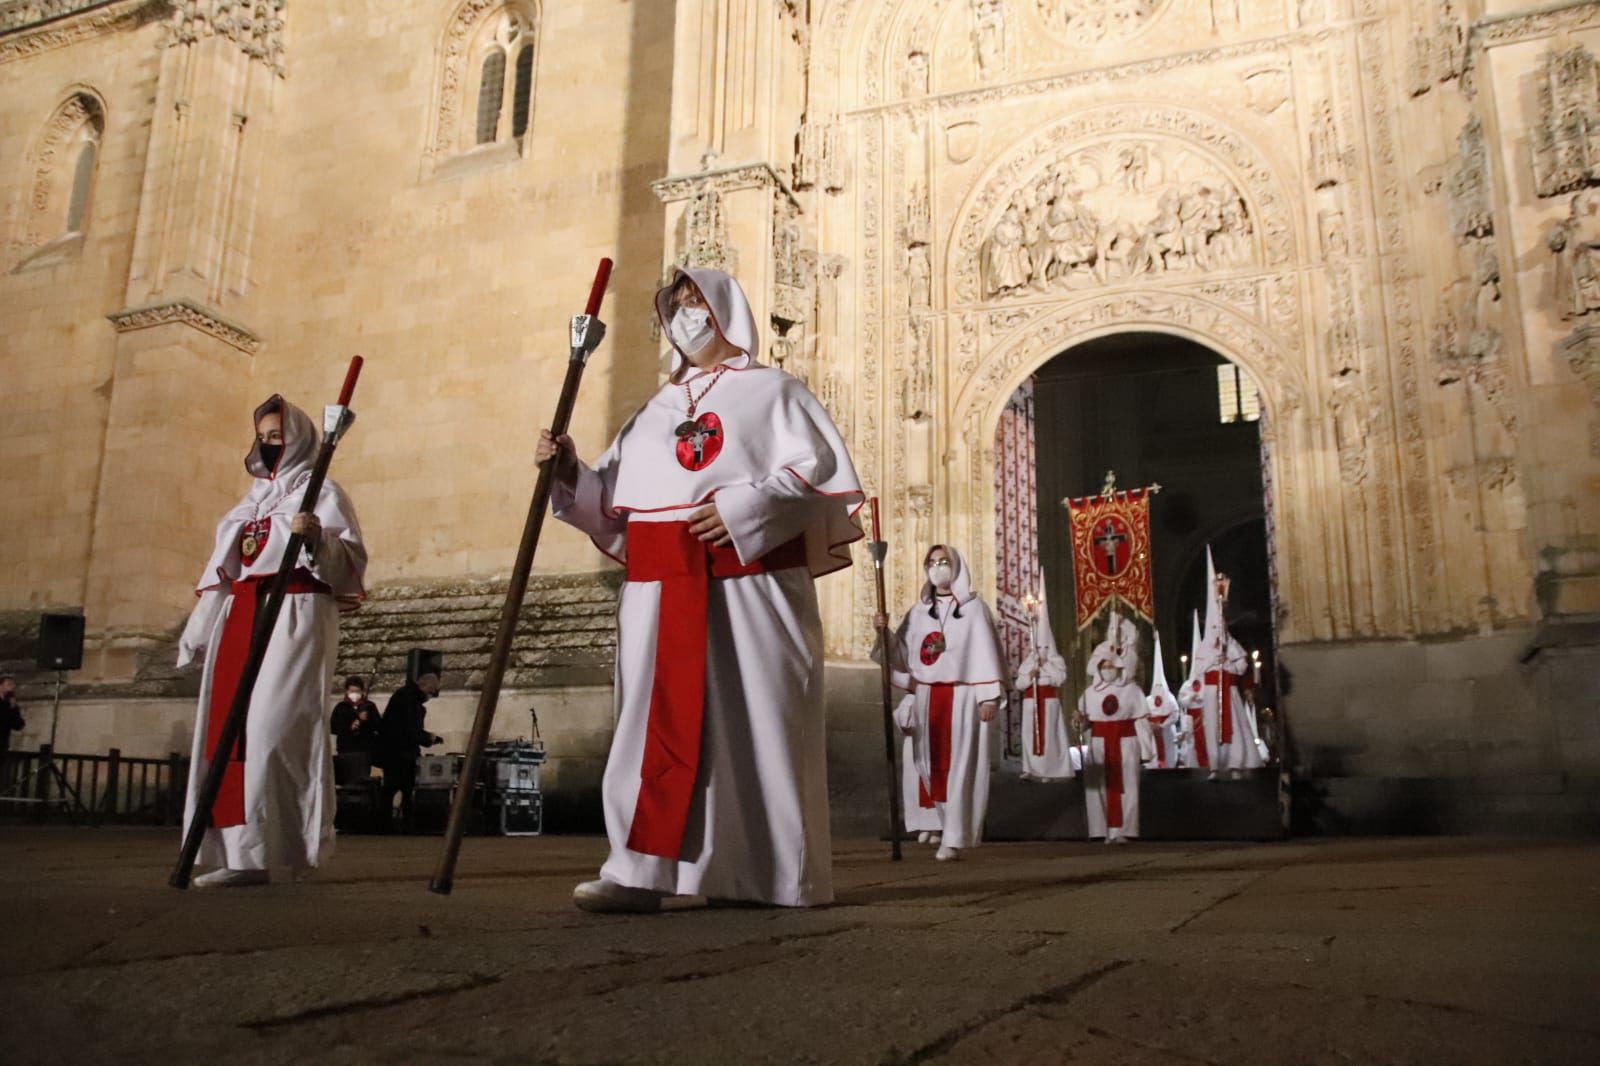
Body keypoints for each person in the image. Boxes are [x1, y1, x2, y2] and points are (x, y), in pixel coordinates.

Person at [539, 266, 864, 912]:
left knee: (757, 723)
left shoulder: (774, 393)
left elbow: (816, 471)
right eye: (676, 305)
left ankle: (760, 874)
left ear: (726, 313)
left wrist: (745, 511)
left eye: (697, 303)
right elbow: (611, 505)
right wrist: (570, 471)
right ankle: (639, 871)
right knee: (646, 725)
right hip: (660, 593)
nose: (686, 316)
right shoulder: (653, 412)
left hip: (748, 589)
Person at [177, 396, 366, 887]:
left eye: (277, 435)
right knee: (228, 736)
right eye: (262, 436)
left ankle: (284, 847)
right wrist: (197, 631)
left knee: (270, 731)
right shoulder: (250, 500)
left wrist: (316, 541)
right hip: (242, 616)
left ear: (300, 435)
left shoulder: (324, 491)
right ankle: (242, 856)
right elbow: (226, 571)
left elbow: (349, 565)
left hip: (294, 615)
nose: (268, 443)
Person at [880, 545, 1005, 862]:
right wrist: (883, 633)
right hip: (927, 695)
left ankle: (954, 835)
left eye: (944, 562)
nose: (937, 568)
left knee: (960, 766)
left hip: (962, 695)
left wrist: (987, 695)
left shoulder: (975, 609)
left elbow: (984, 651)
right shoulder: (920, 610)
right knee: (928, 764)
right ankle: (946, 827)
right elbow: (902, 655)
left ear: (957, 566)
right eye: (932, 563)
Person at [1182, 548, 1264, 779]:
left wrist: (1227, 660)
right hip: (1210, 691)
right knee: (1212, 727)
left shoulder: (1231, 643)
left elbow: (1242, 666)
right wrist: (1213, 660)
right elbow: (1198, 668)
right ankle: (1216, 765)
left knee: (1235, 727)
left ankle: (1236, 763)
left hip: (1228, 690)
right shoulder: (1206, 646)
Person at [1076, 637, 1147, 843]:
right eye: (1104, 666)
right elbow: (1083, 723)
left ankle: (1125, 830)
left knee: (1128, 786)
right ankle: (1102, 830)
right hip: (1099, 743)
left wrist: (1146, 751)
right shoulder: (1089, 694)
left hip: (1126, 743)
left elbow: (1141, 721)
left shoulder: (1133, 691)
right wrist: (1079, 720)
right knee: (1099, 786)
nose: (1107, 669)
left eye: (1111, 666)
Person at [1013, 576, 1073, 781]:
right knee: (1030, 735)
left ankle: (1050, 769)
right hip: (1031, 700)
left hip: (1049, 701)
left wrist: (1046, 664)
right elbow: (1019, 684)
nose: (1042, 650)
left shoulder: (1056, 660)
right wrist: (1031, 675)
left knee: (1049, 737)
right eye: (1039, 647)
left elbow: (1060, 679)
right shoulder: (1030, 660)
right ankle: (1031, 768)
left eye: (1045, 647)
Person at [376, 670, 443, 833]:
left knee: (399, 788)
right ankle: (395, 825)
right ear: (424, 685)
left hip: (397, 751)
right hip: (398, 752)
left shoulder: (406, 697)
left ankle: (391, 824)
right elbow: (409, 729)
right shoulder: (408, 700)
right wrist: (429, 738)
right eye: (431, 692)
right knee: (397, 788)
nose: (430, 696)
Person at [895, 692, 942, 844]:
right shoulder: (909, 698)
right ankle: (923, 826)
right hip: (915, 743)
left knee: (935, 784)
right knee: (914, 787)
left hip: (936, 742)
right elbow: (903, 720)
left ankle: (938, 828)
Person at [1139, 632, 1181, 769]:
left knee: (1168, 760)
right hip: (1152, 736)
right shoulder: (1147, 700)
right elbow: (1142, 717)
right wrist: (1150, 726)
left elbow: (1175, 714)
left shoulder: (1170, 698)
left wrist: (1162, 725)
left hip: (1167, 733)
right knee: (1153, 762)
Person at [330, 675, 381, 783]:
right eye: (351, 691)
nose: (354, 694)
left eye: (357, 691)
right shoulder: (341, 707)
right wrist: (350, 726)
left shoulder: (369, 706)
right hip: (346, 750)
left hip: (364, 750)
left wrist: (367, 720)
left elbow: (378, 726)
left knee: (362, 780)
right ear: (347, 691)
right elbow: (333, 727)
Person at [0, 675, 24, 785]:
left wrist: (13, 708)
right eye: (9, 685)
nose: (12, 688)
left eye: (13, 686)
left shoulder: (11, 704)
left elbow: (18, 725)